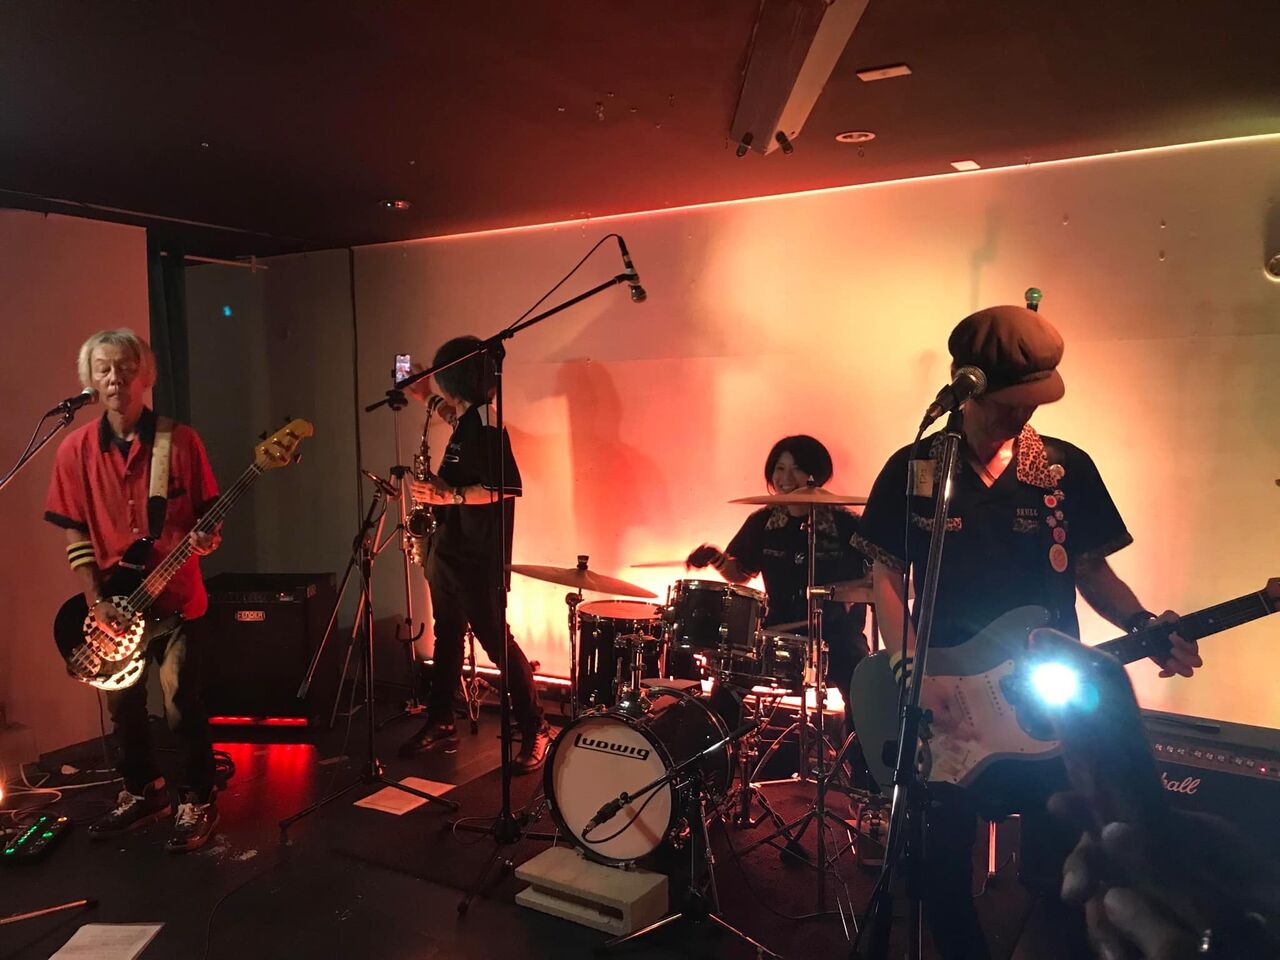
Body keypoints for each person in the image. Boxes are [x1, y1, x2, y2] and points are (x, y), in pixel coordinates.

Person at [852, 305, 1203, 958]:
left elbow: (1092, 569)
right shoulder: (915, 468)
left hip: (1048, 698)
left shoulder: (1066, 470)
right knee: (937, 864)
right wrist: (909, 667)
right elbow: (888, 577)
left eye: (1033, 402)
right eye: (1009, 403)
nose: (1022, 415)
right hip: (947, 700)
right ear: (966, 385)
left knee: (1064, 861)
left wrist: (1141, 622)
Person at [44, 328, 222, 853]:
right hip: (113, 605)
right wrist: (95, 601)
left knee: (181, 704)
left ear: (146, 375)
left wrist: (210, 537)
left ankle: (198, 796)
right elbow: (74, 530)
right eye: (102, 368)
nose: (114, 378)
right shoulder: (74, 449)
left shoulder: (180, 441)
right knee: (123, 710)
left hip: (177, 596)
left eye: (125, 367)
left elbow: (209, 513)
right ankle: (143, 790)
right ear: (89, 379)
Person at [398, 335, 549, 773]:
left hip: (477, 557)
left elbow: (507, 487)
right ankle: (442, 719)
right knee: (447, 636)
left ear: (453, 379)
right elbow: (454, 415)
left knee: (497, 644)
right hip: (449, 551)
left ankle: (536, 727)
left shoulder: (487, 424)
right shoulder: (469, 417)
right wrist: (426, 397)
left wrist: (449, 497)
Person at [686, 435, 870, 732]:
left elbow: (871, 578)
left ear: (816, 474)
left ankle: (857, 759)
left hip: (835, 633)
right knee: (727, 686)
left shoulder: (845, 523)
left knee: (864, 687)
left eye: (796, 469)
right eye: (779, 469)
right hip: (777, 629)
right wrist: (716, 559)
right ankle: (719, 755)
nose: (785, 478)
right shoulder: (763, 520)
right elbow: (741, 573)